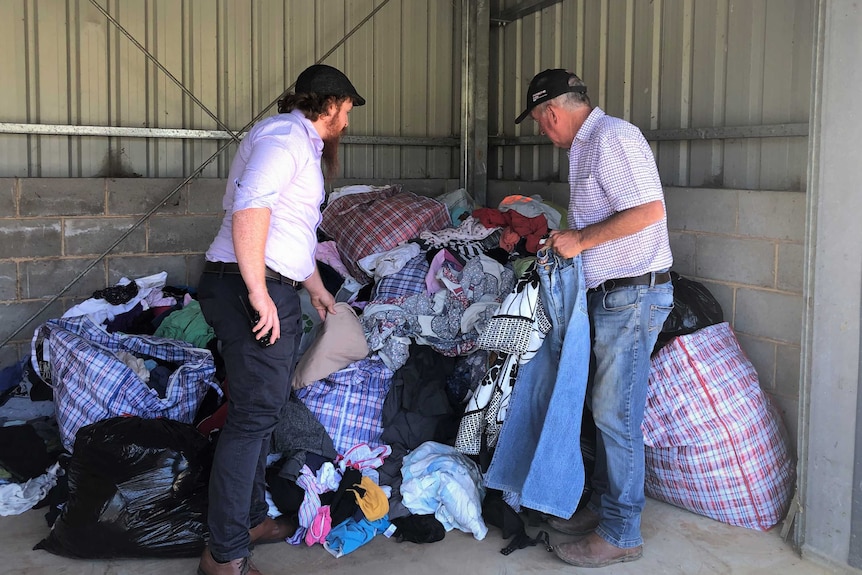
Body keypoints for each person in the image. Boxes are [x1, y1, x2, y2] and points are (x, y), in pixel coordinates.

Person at [196, 64, 365, 575]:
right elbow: (251, 211)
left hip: (268, 283)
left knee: (259, 412)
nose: (348, 124)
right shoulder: (285, 137)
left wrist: (314, 289)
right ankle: (224, 555)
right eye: (348, 112)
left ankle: (245, 522)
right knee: (252, 420)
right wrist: (258, 293)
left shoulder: (299, 144)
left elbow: (291, 230)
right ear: (330, 104)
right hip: (250, 286)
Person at [514, 69, 673, 567]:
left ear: (553, 113)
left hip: (632, 297)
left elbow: (649, 211)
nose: (545, 132)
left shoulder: (612, 138)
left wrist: (579, 241)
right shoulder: (588, 145)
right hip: (610, 296)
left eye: (542, 123)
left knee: (615, 414)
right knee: (604, 412)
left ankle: (622, 531)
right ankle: (606, 512)